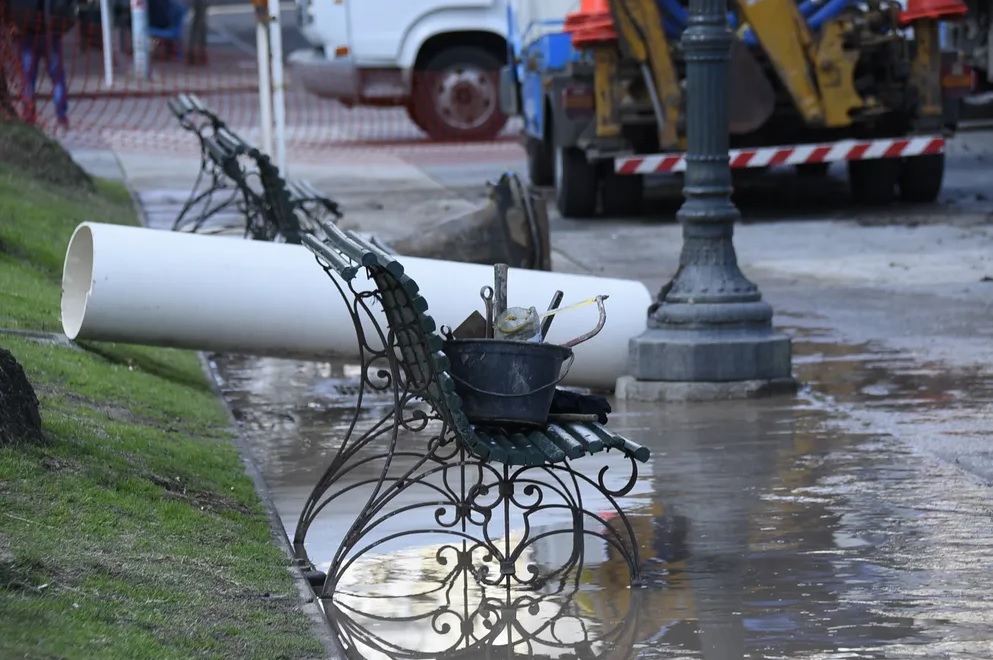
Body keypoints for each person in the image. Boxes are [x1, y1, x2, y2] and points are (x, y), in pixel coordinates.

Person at [15, 0, 75, 130]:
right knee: (57, 78)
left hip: (28, 32)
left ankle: (29, 115)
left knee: (28, 78)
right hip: (51, 33)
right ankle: (61, 116)